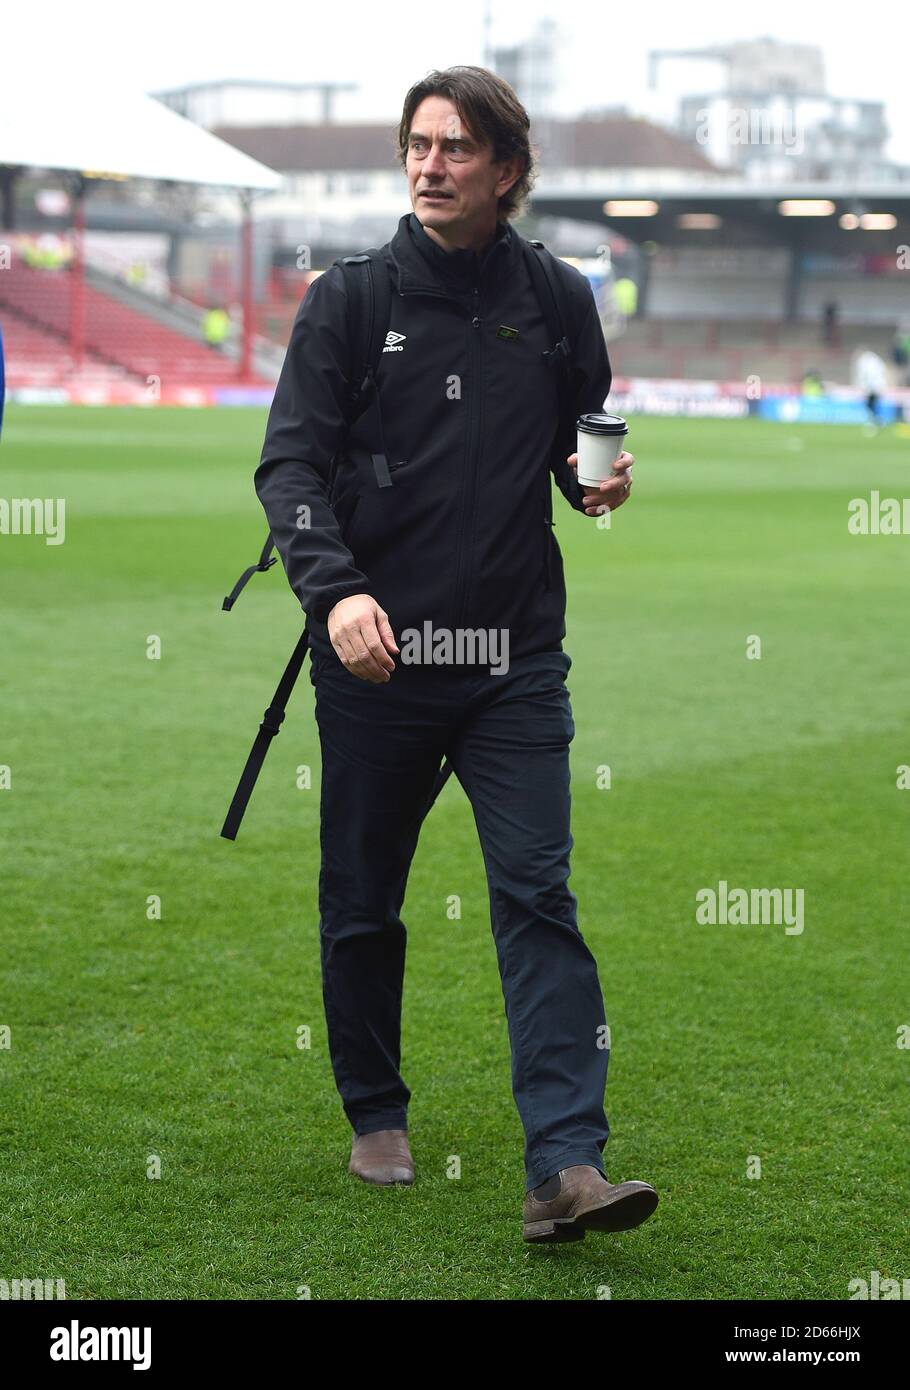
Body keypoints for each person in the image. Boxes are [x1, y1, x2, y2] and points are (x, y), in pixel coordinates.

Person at [254, 65, 658, 1243]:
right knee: (364, 901)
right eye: (418, 146)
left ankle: (566, 1165)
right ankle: (374, 1107)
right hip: (378, 656)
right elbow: (288, 467)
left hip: (515, 656)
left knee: (538, 891)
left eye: (457, 149)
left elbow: (579, 430)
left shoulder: (559, 295)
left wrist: (594, 487)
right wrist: (334, 596)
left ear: (509, 172)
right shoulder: (346, 299)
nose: (430, 165)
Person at [852, 345, 889, 431]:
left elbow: (866, 374)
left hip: (873, 387)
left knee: (870, 405)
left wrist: (864, 386)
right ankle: (877, 420)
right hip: (877, 386)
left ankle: (875, 421)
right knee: (871, 405)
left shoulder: (866, 361)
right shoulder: (875, 359)